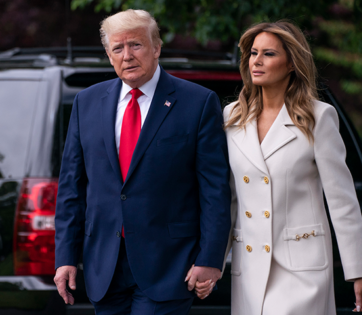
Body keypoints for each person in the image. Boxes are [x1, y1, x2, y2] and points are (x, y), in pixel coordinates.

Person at [53, 9, 231, 314]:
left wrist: (211, 259)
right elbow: (72, 187)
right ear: (109, 55)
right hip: (104, 267)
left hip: (169, 265)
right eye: (118, 48)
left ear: (156, 48)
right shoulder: (87, 102)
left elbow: (214, 190)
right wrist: (65, 257)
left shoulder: (198, 102)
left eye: (135, 45)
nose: (127, 56)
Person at [220, 21, 362, 314]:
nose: (257, 61)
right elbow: (229, 197)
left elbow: (342, 201)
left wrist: (359, 273)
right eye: (253, 53)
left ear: (292, 63)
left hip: (303, 270)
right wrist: (213, 261)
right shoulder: (232, 117)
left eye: (269, 54)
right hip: (249, 267)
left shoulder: (318, 117)